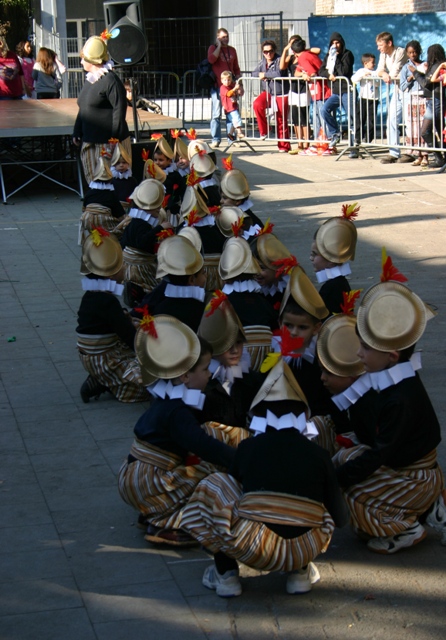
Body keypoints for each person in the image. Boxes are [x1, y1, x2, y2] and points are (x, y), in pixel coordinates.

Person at [180, 357, 348, 597]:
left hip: (254, 549)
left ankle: (226, 574)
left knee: (215, 484)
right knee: (313, 498)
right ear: (303, 415)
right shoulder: (320, 454)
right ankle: (299, 572)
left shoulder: (248, 448)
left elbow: (235, 490)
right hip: (305, 548)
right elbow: (340, 519)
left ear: (258, 415)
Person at [332, 253, 445, 554]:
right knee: (344, 460)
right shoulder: (392, 380)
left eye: (366, 349)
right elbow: (369, 435)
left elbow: (381, 452)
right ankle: (424, 507)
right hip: (404, 463)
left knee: (352, 496)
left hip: (414, 474)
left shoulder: (401, 398)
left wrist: (336, 480)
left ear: (391, 356)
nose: (359, 355)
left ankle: (408, 526)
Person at [117, 318, 243, 546]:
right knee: (210, 473)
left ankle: (152, 511)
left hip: (134, 476)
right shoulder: (177, 411)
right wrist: (237, 460)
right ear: (184, 376)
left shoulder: (166, 400)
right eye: (205, 369)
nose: (208, 375)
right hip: (150, 481)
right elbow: (202, 444)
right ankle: (165, 522)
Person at [76, 228, 150, 403]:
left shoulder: (93, 294)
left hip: (92, 354)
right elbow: (128, 336)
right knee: (149, 385)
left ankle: (104, 378)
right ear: (110, 273)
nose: (124, 267)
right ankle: (106, 381)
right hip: (103, 358)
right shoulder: (107, 301)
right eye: (121, 265)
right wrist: (148, 356)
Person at [198, 290, 264, 428]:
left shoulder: (252, 380)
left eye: (239, 343)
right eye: (227, 345)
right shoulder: (201, 384)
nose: (235, 350)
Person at [72, 35, 130, 184]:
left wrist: (114, 140)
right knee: (94, 184)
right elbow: (83, 107)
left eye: (83, 58)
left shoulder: (111, 81)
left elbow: (119, 111)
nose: (81, 61)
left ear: (92, 60)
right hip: (89, 141)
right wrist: (77, 131)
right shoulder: (91, 79)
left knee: (109, 183)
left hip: (107, 143)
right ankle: (95, 207)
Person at [310, 203, 359, 315]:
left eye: (314, 254)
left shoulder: (332, 288)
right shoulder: (338, 283)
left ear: (331, 259)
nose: (311, 258)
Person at [375, 32, 409, 164]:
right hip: (397, 89)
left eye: (381, 45)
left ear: (389, 43)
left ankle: (411, 151)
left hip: (408, 89)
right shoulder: (383, 54)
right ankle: (393, 152)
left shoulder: (400, 52)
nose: (379, 48)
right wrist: (383, 73)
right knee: (392, 119)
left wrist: (386, 74)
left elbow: (395, 71)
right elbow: (379, 70)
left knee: (409, 121)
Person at [319, 32, 355, 155]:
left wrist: (337, 59)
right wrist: (329, 74)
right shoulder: (329, 56)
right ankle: (335, 133)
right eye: (333, 43)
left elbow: (344, 71)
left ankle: (353, 147)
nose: (335, 45)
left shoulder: (347, 54)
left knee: (352, 118)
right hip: (336, 92)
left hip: (346, 90)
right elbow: (321, 70)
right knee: (324, 110)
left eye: (337, 42)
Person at [252, 40, 291, 153]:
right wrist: (260, 74)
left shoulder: (279, 60)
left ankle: (284, 145)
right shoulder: (262, 62)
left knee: (281, 119)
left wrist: (265, 75)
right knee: (257, 104)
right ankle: (264, 130)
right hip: (268, 92)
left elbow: (279, 73)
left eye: (271, 51)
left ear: (274, 51)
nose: (268, 54)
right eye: (265, 52)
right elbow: (253, 73)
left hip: (281, 92)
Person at [412, 44, 446, 168]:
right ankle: (441, 158)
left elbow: (427, 82)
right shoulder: (437, 65)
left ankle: (439, 158)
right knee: (440, 130)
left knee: (425, 131)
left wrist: (415, 73)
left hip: (436, 100)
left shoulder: (437, 65)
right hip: (435, 99)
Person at [207, 28, 241, 149]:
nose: (225, 39)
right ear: (217, 38)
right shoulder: (213, 48)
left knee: (231, 113)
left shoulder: (232, 50)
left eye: (226, 36)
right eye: (222, 37)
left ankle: (231, 139)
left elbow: (236, 67)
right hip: (218, 86)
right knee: (216, 114)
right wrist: (219, 46)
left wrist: (239, 83)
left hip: (231, 87)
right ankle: (215, 139)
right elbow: (211, 59)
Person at [399, 41, 429, 166]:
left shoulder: (424, 65)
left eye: (415, 52)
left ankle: (426, 155)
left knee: (424, 127)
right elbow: (402, 86)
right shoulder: (405, 68)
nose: (413, 55)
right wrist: (410, 78)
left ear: (419, 52)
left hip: (423, 98)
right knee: (413, 129)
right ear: (407, 54)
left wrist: (421, 73)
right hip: (411, 100)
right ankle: (418, 155)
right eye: (410, 53)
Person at [351, 53, 380, 148]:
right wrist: (364, 75)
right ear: (365, 63)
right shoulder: (361, 71)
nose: (374, 64)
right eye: (372, 62)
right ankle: (358, 138)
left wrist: (373, 78)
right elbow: (354, 79)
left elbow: (377, 84)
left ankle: (368, 138)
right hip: (363, 98)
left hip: (373, 99)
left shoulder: (375, 72)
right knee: (360, 119)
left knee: (371, 120)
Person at [219, 70, 245, 142]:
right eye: (225, 80)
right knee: (237, 119)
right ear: (222, 80)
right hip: (229, 109)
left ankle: (230, 134)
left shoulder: (231, 86)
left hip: (234, 107)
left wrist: (238, 90)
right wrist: (234, 89)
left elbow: (234, 93)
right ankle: (239, 132)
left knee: (234, 122)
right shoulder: (223, 88)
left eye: (229, 80)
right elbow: (228, 94)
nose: (227, 82)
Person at [0, 33, 25, 99]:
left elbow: (21, 73)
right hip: (3, 94)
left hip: (17, 93)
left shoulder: (12, 55)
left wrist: (23, 88)